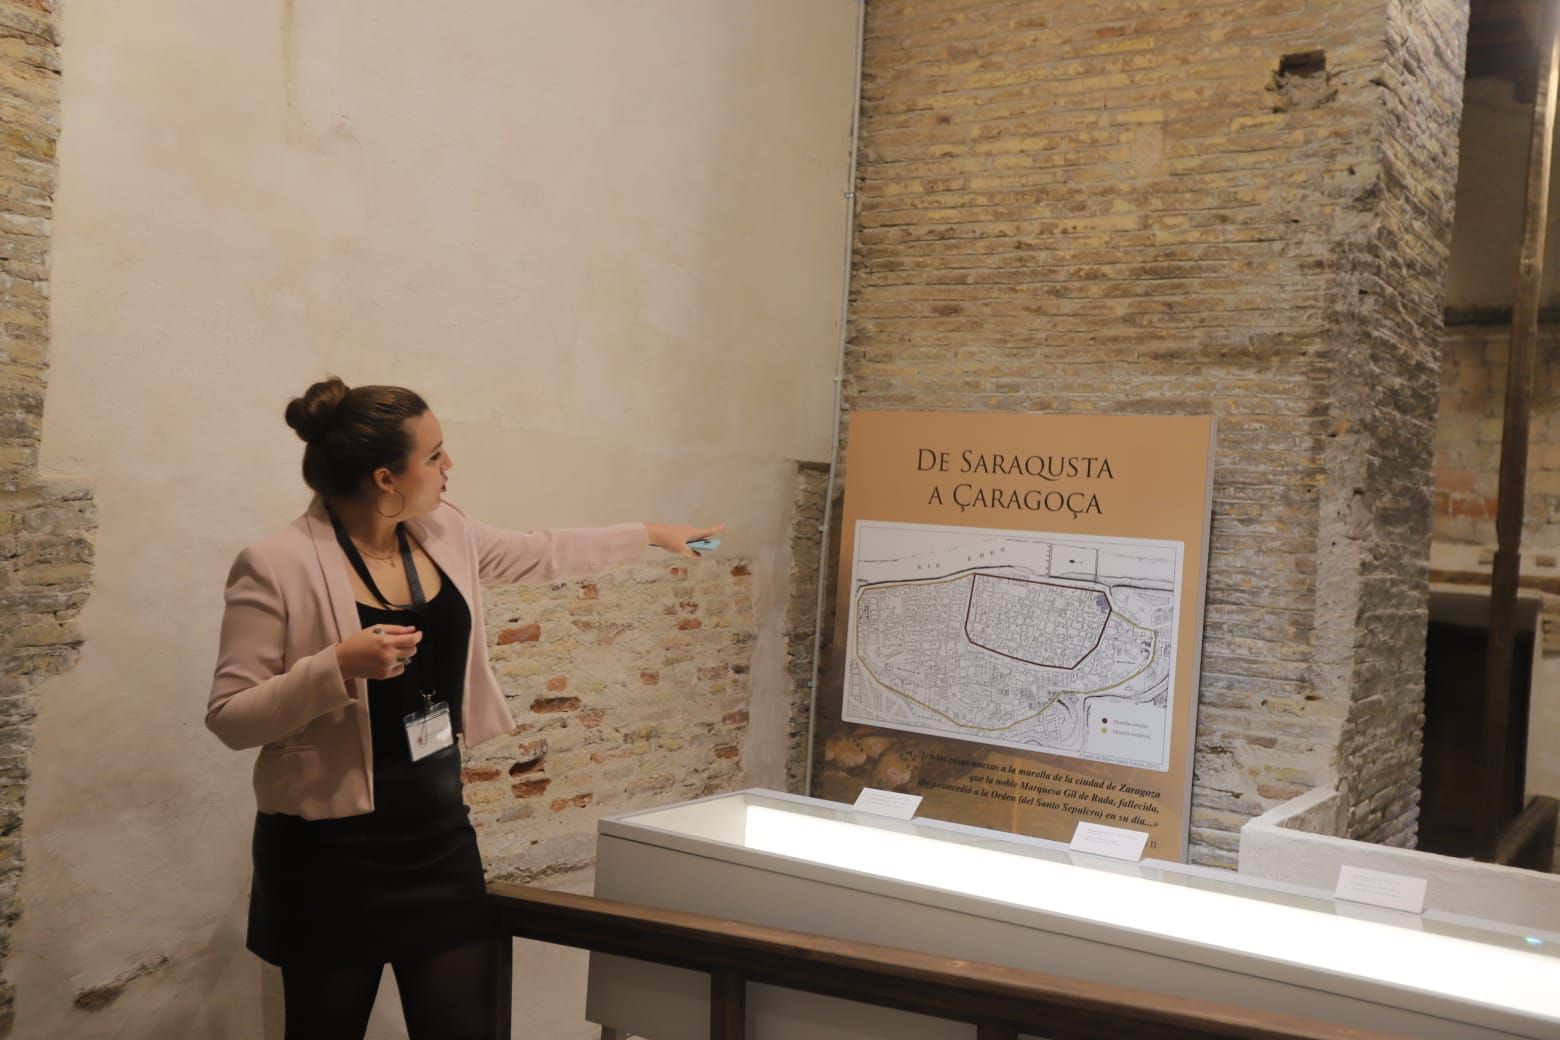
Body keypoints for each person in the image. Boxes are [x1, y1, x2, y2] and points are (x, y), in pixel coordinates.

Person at [207, 377, 720, 1040]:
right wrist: (333, 667)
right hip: (327, 854)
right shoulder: (277, 563)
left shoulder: (442, 531)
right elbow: (230, 715)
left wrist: (651, 533)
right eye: (435, 455)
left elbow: (544, 551)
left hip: (436, 835)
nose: (450, 467)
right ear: (386, 477)